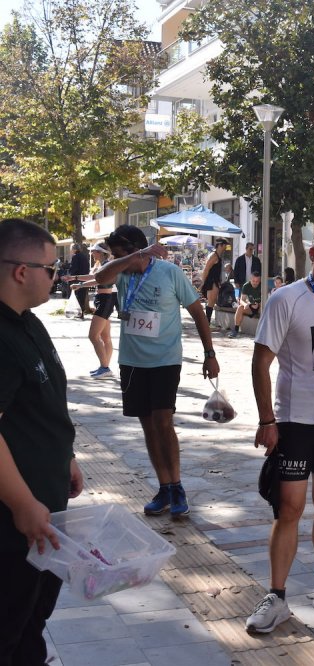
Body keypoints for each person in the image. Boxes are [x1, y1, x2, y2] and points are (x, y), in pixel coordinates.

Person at [245, 228, 314, 633]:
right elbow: (260, 364)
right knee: (289, 509)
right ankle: (276, 597)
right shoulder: (285, 299)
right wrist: (267, 421)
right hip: (294, 422)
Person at [0, 218, 83, 664]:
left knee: (32, 621)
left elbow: (41, 400)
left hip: (43, 512)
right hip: (15, 523)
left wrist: (65, 455)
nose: (58, 275)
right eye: (51, 268)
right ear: (20, 271)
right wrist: (21, 504)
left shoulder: (28, 322)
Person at [95, 225, 220, 518]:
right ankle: (164, 487)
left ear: (138, 248)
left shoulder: (169, 272)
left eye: (120, 254)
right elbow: (101, 277)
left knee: (163, 420)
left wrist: (209, 353)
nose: (117, 260)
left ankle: (176, 486)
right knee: (148, 425)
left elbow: (197, 312)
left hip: (165, 359)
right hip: (132, 361)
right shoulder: (122, 272)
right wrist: (132, 257)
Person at [69, 243, 117, 379]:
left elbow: (97, 281)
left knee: (93, 336)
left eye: (95, 251)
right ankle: (105, 367)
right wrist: (75, 278)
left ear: (101, 252)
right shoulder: (102, 264)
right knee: (105, 337)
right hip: (103, 300)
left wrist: (80, 285)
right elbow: (94, 278)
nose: (92, 253)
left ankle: (105, 367)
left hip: (105, 300)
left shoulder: (107, 265)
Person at [201, 238, 228, 326]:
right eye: (225, 245)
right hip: (211, 282)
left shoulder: (217, 255)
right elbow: (206, 269)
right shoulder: (214, 256)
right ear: (221, 245)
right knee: (211, 302)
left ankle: (206, 323)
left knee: (211, 302)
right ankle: (206, 324)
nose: (225, 248)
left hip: (214, 281)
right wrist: (203, 283)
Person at [228, 271, 262, 338]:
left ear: (260, 280)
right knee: (240, 307)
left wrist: (258, 305)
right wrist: (245, 304)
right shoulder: (246, 286)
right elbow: (242, 300)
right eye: (253, 281)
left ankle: (262, 332)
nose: (255, 283)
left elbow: (265, 299)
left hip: (260, 306)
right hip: (250, 306)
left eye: (257, 281)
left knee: (263, 307)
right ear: (250, 279)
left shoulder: (262, 285)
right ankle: (236, 330)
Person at [65, 243, 92, 319]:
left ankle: (78, 313)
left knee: (76, 296)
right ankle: (81, 313)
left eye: (71, 249)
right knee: (81, 297)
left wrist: (70, 276)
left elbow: (74, 268)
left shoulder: (75, 257)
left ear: (74, 249)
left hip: (76, 279)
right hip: (85, 278)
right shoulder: (84, 256)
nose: (71, 250)